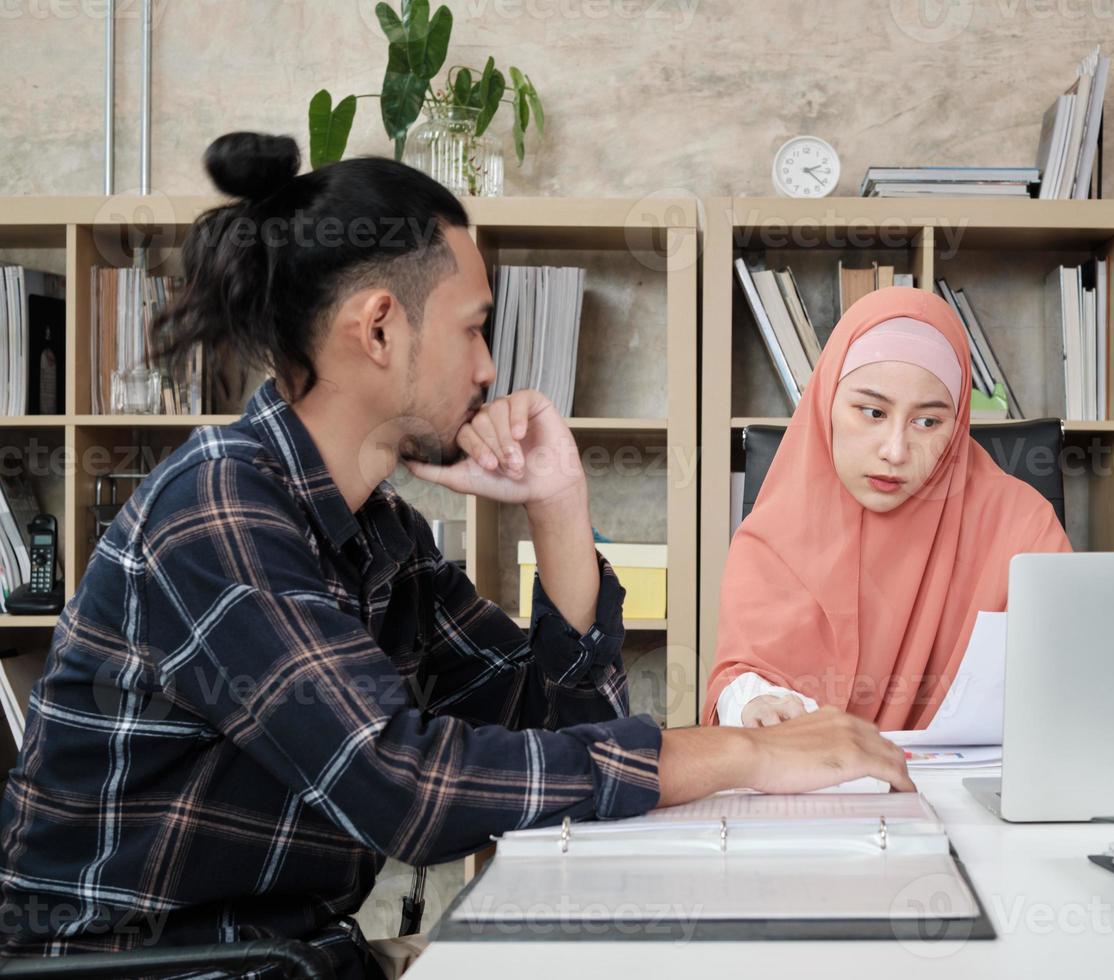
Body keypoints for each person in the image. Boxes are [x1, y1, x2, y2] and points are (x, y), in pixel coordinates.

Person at [0, 133, 911, 980]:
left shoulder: (381, 532)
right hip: (147, 968)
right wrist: (743, 757)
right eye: (474, 326)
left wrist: (558, 507)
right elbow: (408, 786)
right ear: (381, 327)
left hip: (294, 957)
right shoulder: (217, 510)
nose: (487, 368)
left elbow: (555, 723)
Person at [706, 286, 1072, 730]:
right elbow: (742, 678)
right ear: (826, 403)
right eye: (872, 412)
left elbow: (1065, 686)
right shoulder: (770, 537)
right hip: (814, 789)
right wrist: (751, 702)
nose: (896, 451)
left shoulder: (1022, 524)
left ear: (957, 427)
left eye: (928, 422)